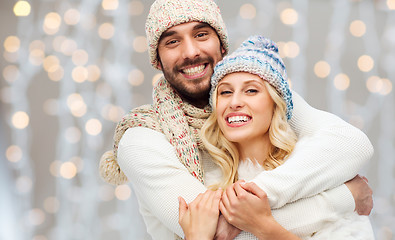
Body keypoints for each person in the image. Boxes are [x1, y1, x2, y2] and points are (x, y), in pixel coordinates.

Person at [98, 0, 374, 239]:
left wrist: (254, 199)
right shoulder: (141, 138)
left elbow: (352, 144)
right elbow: (218, 232)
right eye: (172, 41)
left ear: (222, 45)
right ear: (157, 60)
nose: (190, 51)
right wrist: (345, 197)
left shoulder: (258, 95)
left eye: (202, 34)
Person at [178, 35, 374, 239]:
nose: (234, 102)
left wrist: (262, 224)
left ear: (275, 105)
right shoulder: (205, 186)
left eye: (251, 90)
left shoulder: (316, 172)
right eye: (225, 92)